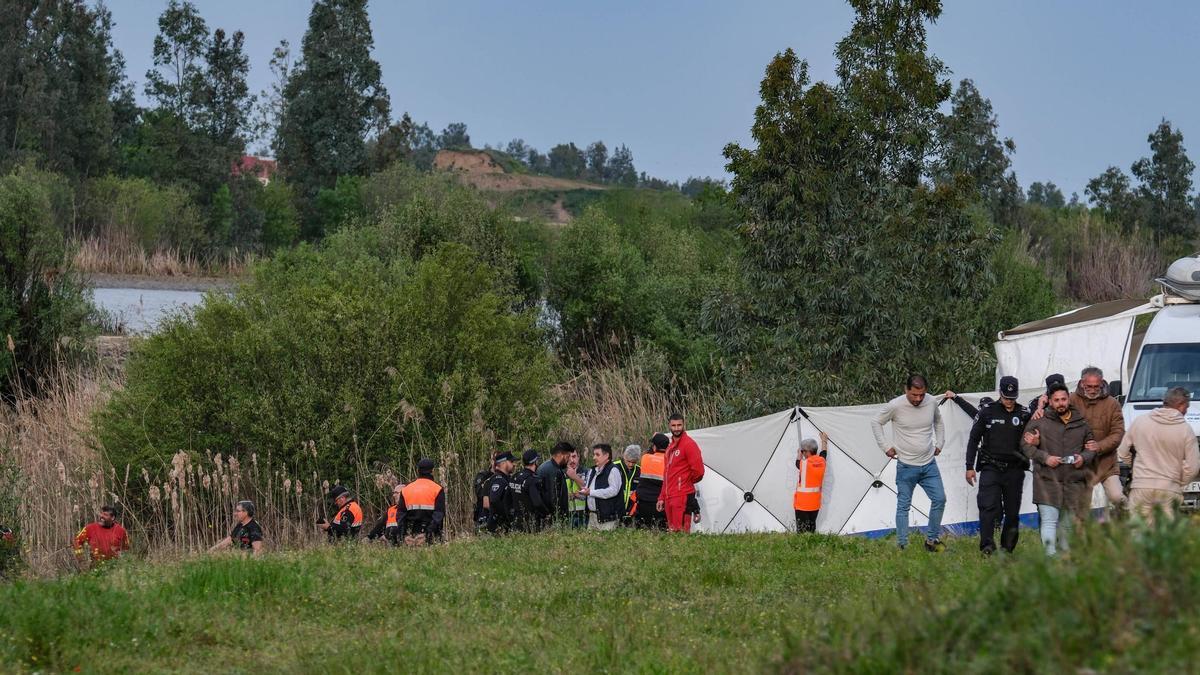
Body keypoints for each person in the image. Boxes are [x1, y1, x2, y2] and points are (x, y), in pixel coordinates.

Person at [871, 375, 947, 552]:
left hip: (929, 464)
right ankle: (902, 545)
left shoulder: (931, 402)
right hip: (906, 466)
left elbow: (938, 421)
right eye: (914, 395)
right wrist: (885, 447)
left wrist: (940, 443)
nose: (918, 399)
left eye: (921, 395)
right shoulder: (895, 405)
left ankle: (932, 541)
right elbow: (875, 422)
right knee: (903, 506)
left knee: (940, 499)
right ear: (906, 390)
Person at [1022, 382, 1096, 556]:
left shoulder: (1081, 422)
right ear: (1050, 401)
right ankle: (1050, 559)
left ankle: (1064, 558)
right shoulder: (1039, 420)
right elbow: (1025, 446)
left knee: (1067, 524)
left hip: (1073, 481)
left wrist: (1083, 458)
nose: (1060, 403)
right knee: (1049, 521)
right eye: (1056, 400)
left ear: (1068, 399)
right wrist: (1045, 458)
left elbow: (1091, 448)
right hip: (1047, 481)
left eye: (1063, 399)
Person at [964, 376, 1032, 555]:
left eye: (1013, 398)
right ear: (1000, 394)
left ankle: (1007, 549)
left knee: (1012, 512)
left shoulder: (1024, 413)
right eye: (1006, 397)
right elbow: (973, 439)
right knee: (988, 507)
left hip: (1014, 469)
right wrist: (969, 466)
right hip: (990, 467)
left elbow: (1035, 436)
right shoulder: (987, 412)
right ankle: (987, 546)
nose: (1009, 402)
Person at [1117, 386, 1200, 525]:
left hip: (1141, 487)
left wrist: (1136, 468)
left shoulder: (1140, 422)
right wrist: (1177, 481)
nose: (1186, 411)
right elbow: (1193, 467)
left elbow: (1122, 451)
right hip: (1169, 489)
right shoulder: (1185, 430)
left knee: (1139, 533)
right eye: (1187, 406)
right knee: (1165, 538)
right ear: (1181, 405)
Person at [1070, 366, 1126, 516]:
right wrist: (1040, 408)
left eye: (1096, 386)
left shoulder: (1112, 404)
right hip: (1081, 465)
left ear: (1101, 383)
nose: (1093, 390)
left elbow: (1118, 432)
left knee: (1117, 497)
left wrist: (1099, 446)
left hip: (1106, 463)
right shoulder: (1071, 400)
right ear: (1082, 383)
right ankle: (1081, 537)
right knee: (1081, 506)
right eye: (1089, 386)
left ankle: (1127, 526)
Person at [657, 413, 705, 533]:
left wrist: (684, 482)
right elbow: (666, 475)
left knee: (682, 533)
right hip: (669, 497)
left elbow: (699, 471)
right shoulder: (669, 448)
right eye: (674, 425)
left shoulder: (689, 444)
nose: (677, 428)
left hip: (682, 495)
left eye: (679, 425)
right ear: (669, 426)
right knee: (672, 532)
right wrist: (661, 497)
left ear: (684, 425)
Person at [398, 458, 446, 545]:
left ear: (418, 471)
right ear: (432, 471)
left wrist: (404, 535)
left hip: (410, 538)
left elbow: (400, 516)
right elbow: (438, 515)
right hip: (430, 537)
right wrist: (427, 535)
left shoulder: (406, 489)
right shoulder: (437, 489)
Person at [580, 444, 624, 531]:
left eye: (597, 454)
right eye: (593, 454)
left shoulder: (613, 470)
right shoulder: (592, 470)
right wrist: (581, 493)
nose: (594, 457)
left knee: (606, 543)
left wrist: (591, 492)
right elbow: (588, 489)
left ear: (607, 455)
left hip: (607, 519)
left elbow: (613, 491)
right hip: (592, 517)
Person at [793, 434, 828, 533]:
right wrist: (824, 440)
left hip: (802, 504)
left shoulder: (803, 464)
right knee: (811, 529)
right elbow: (824, 453)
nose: (802, 453)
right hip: (815, 504)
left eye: (803, 451)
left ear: (807, 452)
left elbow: (797, 462)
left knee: (802, 531)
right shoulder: (822, 462)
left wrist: (798, 453)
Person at [635, 433, 669, 529]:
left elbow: (650, 452)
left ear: (654, 447)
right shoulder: (669, 461)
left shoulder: (645, 458)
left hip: (644, 503)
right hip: (661, 505)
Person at [536, 442, 573, 526]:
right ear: (561, 455)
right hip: (552, 521)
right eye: (568, 456)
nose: (569, 460)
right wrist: (560, 519)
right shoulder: (553, 471)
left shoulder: (548, 466)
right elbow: (553, 498)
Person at [512, 449, 547, 532]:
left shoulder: (515, 477)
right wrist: (546, 513)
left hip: (516, 522)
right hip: (530, 524)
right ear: (535, 462)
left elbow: (507, 499)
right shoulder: (532, 480)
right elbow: (537, 503)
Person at [483, 452, 517, 534]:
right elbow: (494, 501)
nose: (514, 464)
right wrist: (507, 514)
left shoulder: (506, 478)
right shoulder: (498, 479)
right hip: (498, 525)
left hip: (503, 525)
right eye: (511, 462)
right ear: (504, 463)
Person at [616, 445, 642, 526]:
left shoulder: (640, 470)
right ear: (624, 457)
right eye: (628, 461)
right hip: (615, 509)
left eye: (633, 462)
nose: (631, 464)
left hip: (631, 511)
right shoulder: (614, 467)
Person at [565, 448, 588, 529]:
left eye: (574, 456)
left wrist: (574, 477)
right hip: (568, 515)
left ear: (578, 457)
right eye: (569, 457)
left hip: (584, 515)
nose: (572, 460)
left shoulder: (586, 471)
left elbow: (589, 489)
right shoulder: (561, 473)